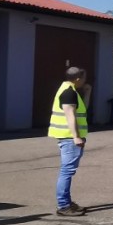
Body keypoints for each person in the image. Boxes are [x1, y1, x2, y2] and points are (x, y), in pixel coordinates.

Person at [48, 66, 91, 215]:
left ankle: (66, 202)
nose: (85, 81)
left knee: (68, 171)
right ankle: (64, 205)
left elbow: (82, 110)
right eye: (84, 78)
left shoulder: (70, 90)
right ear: (78, 78)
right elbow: (70, 115)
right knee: (67, 171)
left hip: (68, 137)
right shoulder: (68, 93)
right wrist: (76, 137)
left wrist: (88, 93)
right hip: (68, 137)